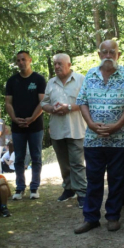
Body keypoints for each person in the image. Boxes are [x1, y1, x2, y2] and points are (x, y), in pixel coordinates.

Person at [74, 40, 124, 234]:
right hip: (93, 139)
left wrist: (117, 126)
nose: (108, 55)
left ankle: (113, 216)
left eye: (112, 52)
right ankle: (91, 218)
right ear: (99, 54)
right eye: (105, 52)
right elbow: (82, 101)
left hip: (120, 139)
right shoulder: (90, 74)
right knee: (93, 179)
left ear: (118, 55)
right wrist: (91, 124)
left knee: (117, 179)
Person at [41, 53, 87, 208]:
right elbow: (44, 103)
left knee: (77, 163)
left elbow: (87, 102)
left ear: (69, 64)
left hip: (76, 128)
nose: (56, 67)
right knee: (63, 163)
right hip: (57, 129)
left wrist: (68, 107)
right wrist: (51, 109)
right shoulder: (51, 82)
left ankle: (82, 193)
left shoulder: (81, 79)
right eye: (55, 64)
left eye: (60, 64)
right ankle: (68, 188)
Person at [5, 50, 46, 200]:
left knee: (36, 157)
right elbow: (8, 103)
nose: (21, 62)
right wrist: (15, 119)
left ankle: (34, 188)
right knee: (19, 158)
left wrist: (32, 118)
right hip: (17, 127)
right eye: (18, 60)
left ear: (30, 60)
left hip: (35, 126)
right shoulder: (12, 81)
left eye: (24, 59)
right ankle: (20, 188)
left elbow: (43, 102)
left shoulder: (39, 79)